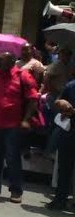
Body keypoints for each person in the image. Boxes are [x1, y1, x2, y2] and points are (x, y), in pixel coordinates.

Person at [0, 52, 39, 204]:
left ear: (12, 62)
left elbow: (33, 100)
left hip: (13, 126)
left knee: (12, 158)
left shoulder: (22, 76)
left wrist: (26, 120)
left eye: (2, 60)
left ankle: (16, 190)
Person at [48, 77, 75, 210]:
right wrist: (62, 104)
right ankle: (60, 200)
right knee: (64, 169)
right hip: (69, 133)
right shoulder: (71, 85)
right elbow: (58, 102)